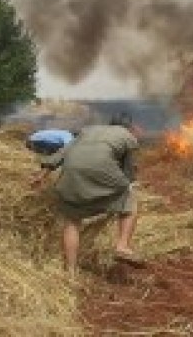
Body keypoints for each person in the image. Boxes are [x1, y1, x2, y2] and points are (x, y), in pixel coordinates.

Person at [30, 113, 144, 274]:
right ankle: (122, 246)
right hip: (102, 169)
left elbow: (61, 154)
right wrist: (127, 185)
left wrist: (41, 176)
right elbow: (129, 173)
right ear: (129, 128)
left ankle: (70, 270)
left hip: (71, 174)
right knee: (129, 201)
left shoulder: (87, 131)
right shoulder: (128, 137)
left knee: (72, 220)